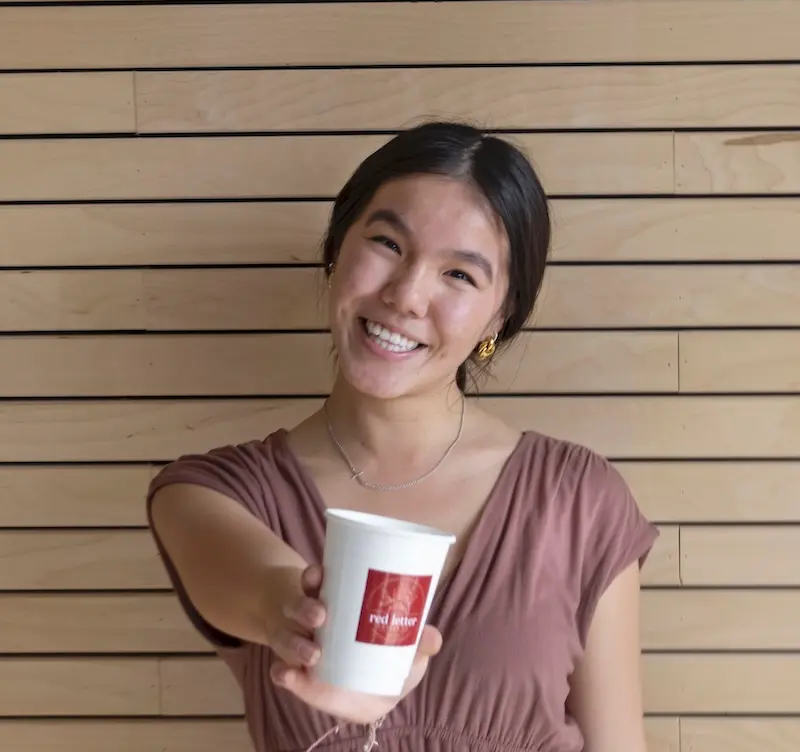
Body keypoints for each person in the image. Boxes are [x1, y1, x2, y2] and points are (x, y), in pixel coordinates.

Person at [147, 121, 658, 752]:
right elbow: (262, 586)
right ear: (337, 249)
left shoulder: (579, 501)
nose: (407, 295)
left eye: (461, 276)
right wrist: (304, 623)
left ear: (500, 315)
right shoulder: (209, 494)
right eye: (388, 243)